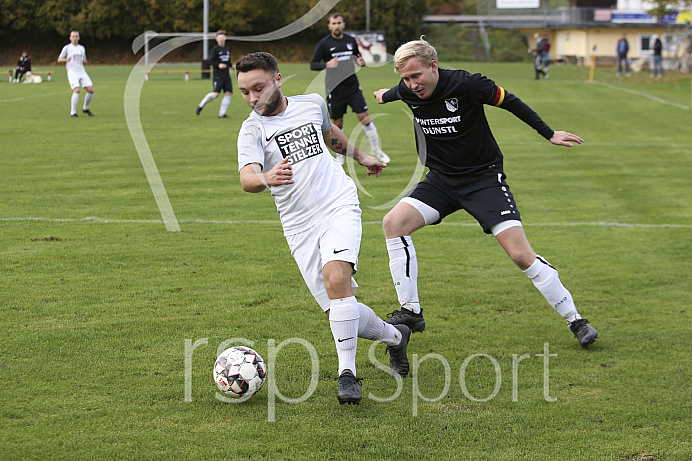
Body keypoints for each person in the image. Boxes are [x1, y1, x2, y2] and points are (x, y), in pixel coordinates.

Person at [373, 37, 598, 348]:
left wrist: (549, 133)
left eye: (416, 76)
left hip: (483, 180)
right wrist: (384, 95)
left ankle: (577, 321)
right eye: (405, 79)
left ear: (433, 66)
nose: (411, 85)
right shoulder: (407, 90)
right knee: (393, 223)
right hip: (441, 181)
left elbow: (511, 102)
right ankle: (411, 312)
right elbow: (389, 93)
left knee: (520, 255)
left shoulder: (467, 84)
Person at [235, 52, 410, 405]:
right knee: (339, 309)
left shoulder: (312, 103)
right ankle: (395, 337)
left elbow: (331, 134)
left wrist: (363, 157)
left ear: (278, 79)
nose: (253, 98)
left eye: (259, 87)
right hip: (298, 225)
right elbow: (246, 178)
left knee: (336, 279)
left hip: (338, 204)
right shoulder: (252, 129)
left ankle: (347, 375)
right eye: (244, 92)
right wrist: (266, 177)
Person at [310, 13, 390, 164]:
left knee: (365, 118)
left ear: (343, 24)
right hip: (334, 89)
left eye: (339, 23)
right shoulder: (324, 43)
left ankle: (376, 149)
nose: (337, 26)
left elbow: (358, 58)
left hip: (352, 87)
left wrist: (361, 62)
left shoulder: (350, 40)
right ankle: (340, 154)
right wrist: (326, 64)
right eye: (333, 23)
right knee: (337, 124)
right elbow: (313, 64)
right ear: (329, 26)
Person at [196, 30, 234, 118]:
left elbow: (227, 60)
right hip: (218, 75)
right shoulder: (215, 50)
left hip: (226, 75)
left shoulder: (227, 50)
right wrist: (218, 65)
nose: (221, 40)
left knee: (229, 93)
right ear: (217, 39)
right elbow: (210, 61)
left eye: (223, 38)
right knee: (216, 94)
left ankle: (222, 114)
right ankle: (201, 105)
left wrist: (231, 65)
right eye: (220, 38)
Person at [57, 31, 94, 117]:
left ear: (79, 37)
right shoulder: (67, 48)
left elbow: (84, 59)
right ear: (70, 38)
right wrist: (66, 60)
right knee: (76, 90)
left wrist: (85, 61)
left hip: (82, 71)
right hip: (72, 72)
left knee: (91, 90)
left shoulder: (81, 48)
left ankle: (85, 108)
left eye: (76, 36)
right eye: (73, 36)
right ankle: (72, 112)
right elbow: (59, 59)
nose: (75, 38)